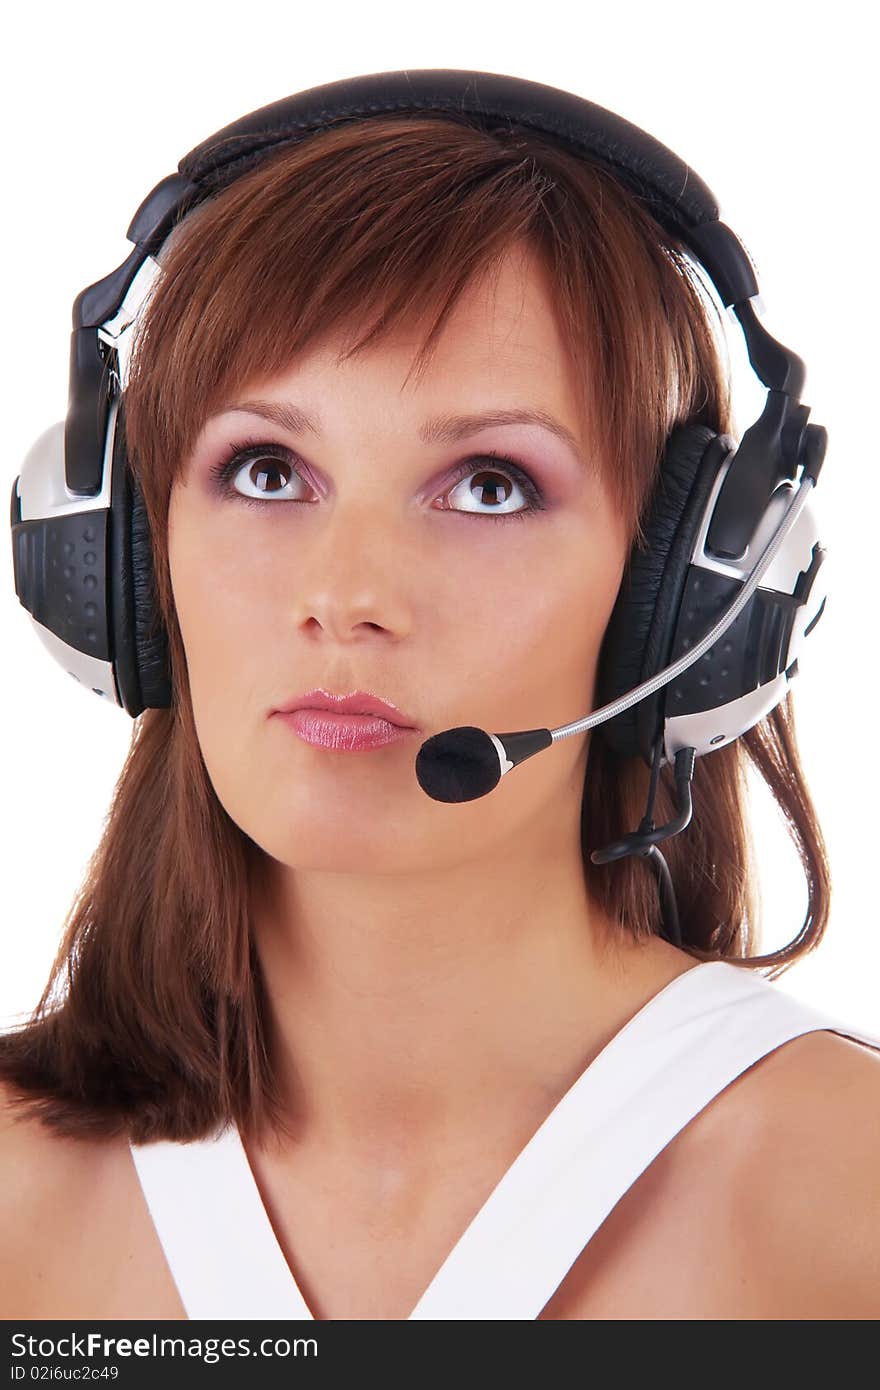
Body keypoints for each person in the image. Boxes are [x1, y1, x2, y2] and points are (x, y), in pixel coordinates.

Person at [2, 74, 879, 1321]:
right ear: (117, 563)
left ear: (685, 605)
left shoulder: (844, 1204)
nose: (349, 595)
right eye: (265, 469)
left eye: (488, 486)